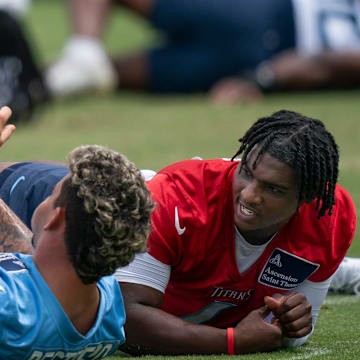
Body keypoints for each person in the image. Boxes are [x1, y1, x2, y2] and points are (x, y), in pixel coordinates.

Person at [0, 108, 357, 355]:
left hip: (115, 211)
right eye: (245, 172)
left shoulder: (329, 214)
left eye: (274, 189)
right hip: (101, 201)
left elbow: (290, 333)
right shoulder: (177, 202)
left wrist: (291, 322)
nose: (249, 195)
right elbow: (131, 320)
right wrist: (232, 341)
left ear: (308, 197)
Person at [0, 106, 155, 358]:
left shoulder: (9, 311)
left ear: (56, 217)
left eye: (51, 196)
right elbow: (30, 266)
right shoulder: (109, 316)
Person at [45, 0, 360, 102]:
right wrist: (261, 77)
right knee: (101, 75)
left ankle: (81, 49)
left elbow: (331, 63)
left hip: (260, 17)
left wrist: (264, 78)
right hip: (253, 60)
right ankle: (59, 70)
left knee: (92, 68)